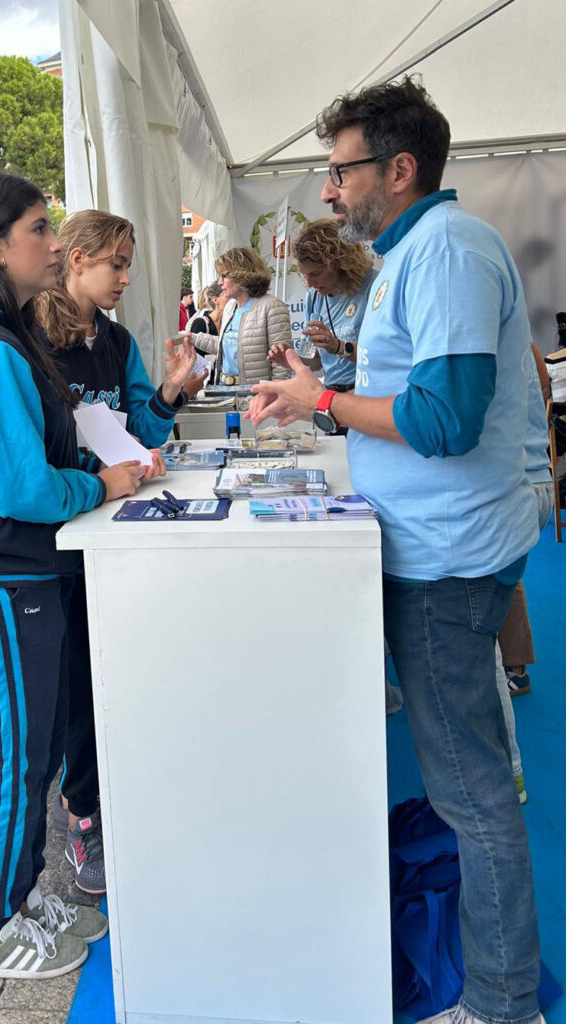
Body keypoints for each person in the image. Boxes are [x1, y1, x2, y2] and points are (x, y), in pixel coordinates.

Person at [248, 77, 544, 1024]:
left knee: (473, 796)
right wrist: (320, 392)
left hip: (449, 560)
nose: (329, 191)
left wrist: (320, 403)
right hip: (439, 547)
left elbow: (443, 418)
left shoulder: (448, 252)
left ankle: (502, 1003)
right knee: (469, 778)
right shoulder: (422, 252)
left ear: (398, 168)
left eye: (340, 171)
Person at [0, 172, 155, 980]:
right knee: (16, 757)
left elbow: (28, 456)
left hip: (2, 574)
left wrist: (87, 464)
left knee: (30, 749)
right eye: (39, 228)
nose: (54, 242)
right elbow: (17, 485)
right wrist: (100, 483)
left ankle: (18, 891)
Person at [36, 208, 198, 894]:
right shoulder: (27, 339)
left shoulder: (119, 339)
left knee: (121, 664)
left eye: (127, 264)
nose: (126, 278)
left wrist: (168, 390)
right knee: (77, 678)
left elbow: (141, 424)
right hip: (60, 541)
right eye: (117, 264)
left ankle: (121, 790)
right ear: (77, 258)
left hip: (117, 532)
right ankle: (84, 813)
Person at [498, 344, 553, 696]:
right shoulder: (526, 342)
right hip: (537, 475)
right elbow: (545, 391)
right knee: (507, 577)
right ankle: (515, 669)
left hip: (515, 483)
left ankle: (513, 671)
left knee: (496, 581)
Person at [269, 219, 377, 390]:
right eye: (305, 276)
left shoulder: (374, 286)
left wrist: (339, 347)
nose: (310, 283)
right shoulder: (315, 297)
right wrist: (291, 360)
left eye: (316, 274)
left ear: (340, 263)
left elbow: (384, 357)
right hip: (333, 391)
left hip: (369, 392)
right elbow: (316, 362)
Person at [189, 247, 291, 386]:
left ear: (241, 276)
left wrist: (275, 396)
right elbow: (225, 346)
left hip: (255, 395)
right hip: (225, 390)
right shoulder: (231, 306)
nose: (219, 283)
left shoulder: (272, 306)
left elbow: (281, 364)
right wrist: (191, 337)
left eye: (224, 276)